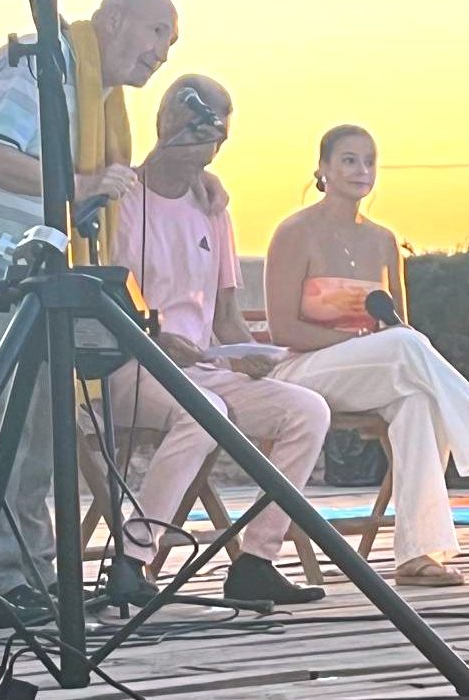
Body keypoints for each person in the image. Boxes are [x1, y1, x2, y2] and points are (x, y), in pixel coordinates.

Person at [0, 0, 217, 626]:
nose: (162, 53)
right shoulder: (47, 64)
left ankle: (25, 576)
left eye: (171, 42)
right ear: (115, 17)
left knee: (39, 414)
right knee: (5, 419)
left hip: (18, 267)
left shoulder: (94, 90)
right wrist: (83, 184)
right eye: (157, 32)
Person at [265, 125, 469, 588]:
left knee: (419, 400)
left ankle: (419, 552)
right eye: (349, 160)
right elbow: (283, 329)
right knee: (409, 349)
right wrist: (355, 347)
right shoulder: (295, 233)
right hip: (305, 372)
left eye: (369, 161)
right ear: (323, 169)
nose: (362, 170)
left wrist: (374, 347)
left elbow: (398, 327)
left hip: (376, 371)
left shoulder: (384, 240)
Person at [104, 75, 329, 605]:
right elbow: (110, 303)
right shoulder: (125, 200)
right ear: (166, 125)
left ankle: (255, 560)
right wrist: (155, 336)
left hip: (204, 367)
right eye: (197, 130)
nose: (206, 146)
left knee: (307, 410)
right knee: (203, 409)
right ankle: (133, 559)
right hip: (132, 365)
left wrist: (253, 356)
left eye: (216, 137)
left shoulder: (212, 206)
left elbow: (227, 316)